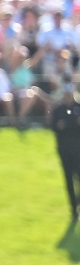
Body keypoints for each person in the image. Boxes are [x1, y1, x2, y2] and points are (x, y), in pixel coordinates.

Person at [47, 79, 80, 222]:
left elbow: (63, 126)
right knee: (69, 180)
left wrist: (66, 125)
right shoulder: (58, 109)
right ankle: (73, 208)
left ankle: (77, 201)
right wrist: (71, 124)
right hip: (64, 150)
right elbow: (55, 127)